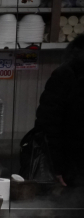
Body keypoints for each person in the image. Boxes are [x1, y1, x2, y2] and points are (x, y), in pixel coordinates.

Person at [26, 33, 84, 187]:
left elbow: (47, 122)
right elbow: (49, 123)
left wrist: (57, 166)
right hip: (71, 165)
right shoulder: (67, 75)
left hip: (71, 164)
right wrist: (58, 166)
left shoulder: (64, 74)